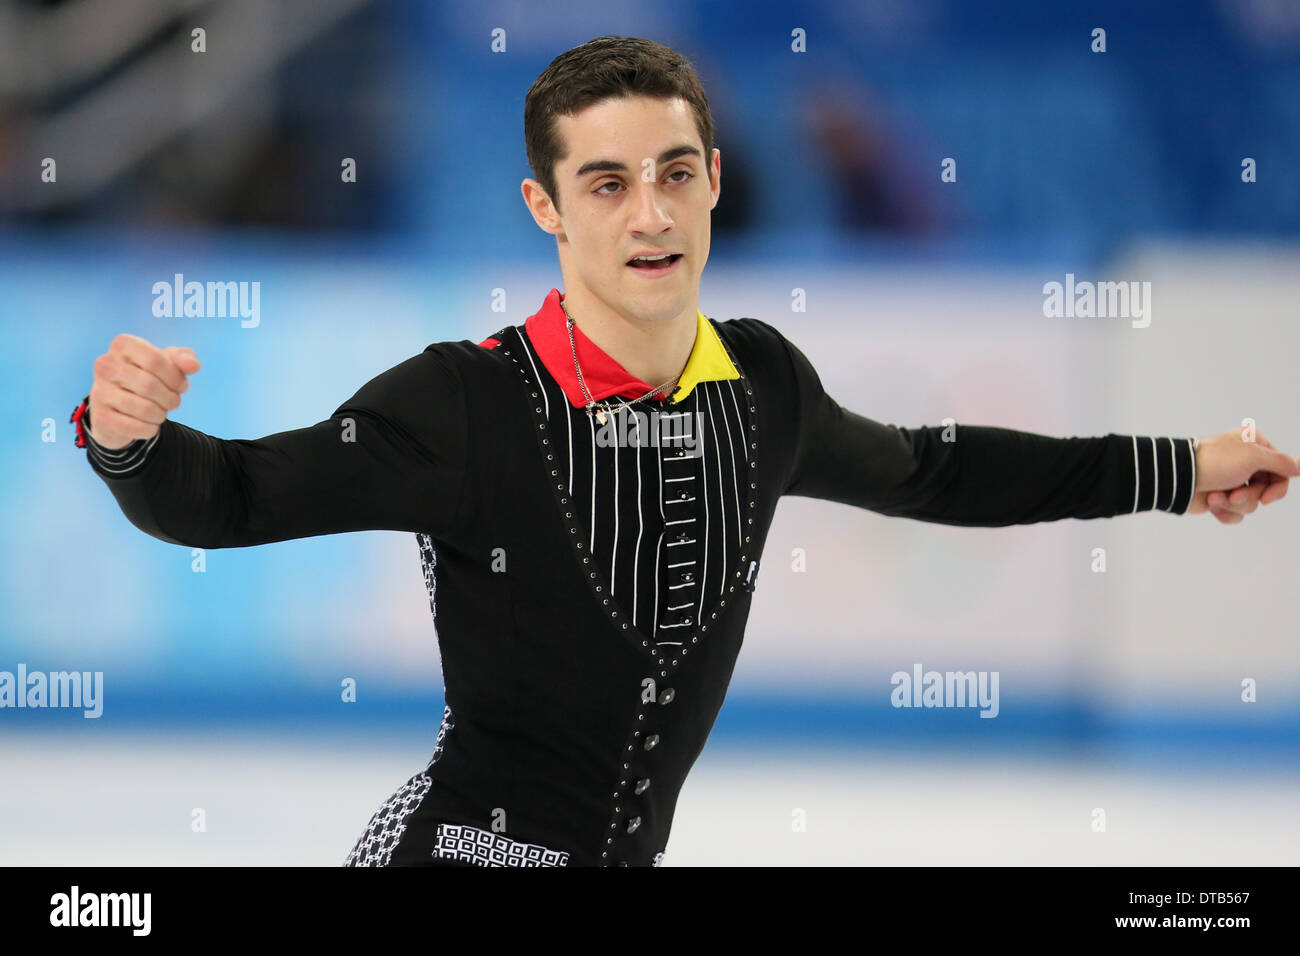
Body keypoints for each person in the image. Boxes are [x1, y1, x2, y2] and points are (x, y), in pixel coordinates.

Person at [70, 36, 1299, 867]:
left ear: (714, 182)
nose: (648, 214)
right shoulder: (464, 403)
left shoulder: (760, 386)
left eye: (671, 174)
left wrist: (1174, 468)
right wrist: (128, 441)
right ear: (544, 209)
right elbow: (226, 497)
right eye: (603, 184)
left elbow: (936, 468)